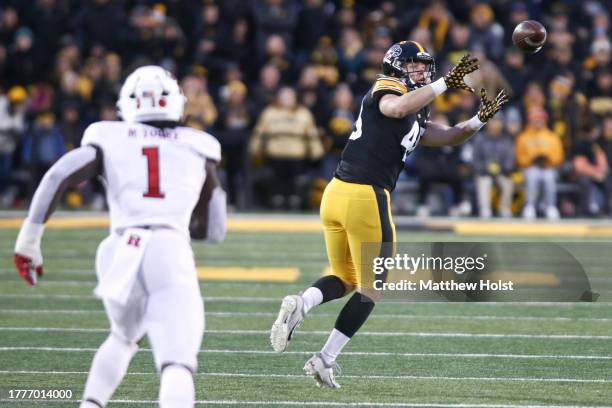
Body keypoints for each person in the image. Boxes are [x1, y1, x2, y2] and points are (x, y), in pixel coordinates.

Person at [270, 41, 507, 388]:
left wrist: (478, 119)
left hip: (336, 194)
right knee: (373, 288)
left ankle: (301, 304)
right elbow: (396, 108)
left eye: (424, 66)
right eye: (413, 65)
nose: (421, 71)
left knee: (347, 279)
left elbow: (449, 136)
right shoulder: (389, 86)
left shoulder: (417, 104)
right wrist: (441, 84)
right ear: (396, 65)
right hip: (366, 196)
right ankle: (325, 359)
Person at [13, 66, 227, 407]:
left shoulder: (107, 136)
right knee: (177, 363)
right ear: (176, 103)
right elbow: (214, 231)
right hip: (167, 247)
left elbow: (58, 176)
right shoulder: (199, 145)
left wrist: (29, 239)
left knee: (124, 337)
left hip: (119, 248)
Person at [515, 107, 564, 219]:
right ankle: (530, 206)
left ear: (545, 120)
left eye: (540, 119)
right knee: (533, 175)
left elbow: (559, 157)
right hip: (529, 168)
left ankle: (551, 207)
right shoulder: (523, 137)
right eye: (535, 119)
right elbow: (519, 158)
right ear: (530, 120)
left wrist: (548, 159)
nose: (538, 121)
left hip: (549, 167)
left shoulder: (552, 137)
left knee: (548, 177)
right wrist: (531, 159)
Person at [472, 113, 514, 218]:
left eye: (498, 121)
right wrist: (486, 168)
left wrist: (501, 169)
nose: (495, 124)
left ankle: (504, 209)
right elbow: (475, 160)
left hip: (501, 172)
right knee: (485, 181)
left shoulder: (506, 140)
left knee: (508, 183)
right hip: (484, 172)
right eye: (493, 121)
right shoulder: (480, 139)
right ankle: (485, 209)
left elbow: (510, 160)